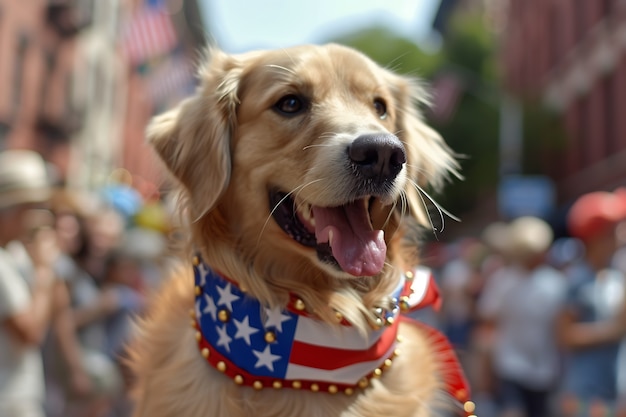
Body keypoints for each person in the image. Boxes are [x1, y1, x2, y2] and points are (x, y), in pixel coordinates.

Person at [478, 216, 567, 417]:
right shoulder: (502, 281)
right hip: (510, 365)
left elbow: (561, 329)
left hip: (545, 369)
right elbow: (488, 322)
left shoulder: (555, 283)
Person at [0, 150, 60, 417]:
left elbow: (57, 306)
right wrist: (44, 270)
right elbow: (30, 333)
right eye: (32, 208)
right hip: (9, 398)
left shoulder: (15, 253)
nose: (38, 217)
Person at [557, 190, 626, 417]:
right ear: (599, 236)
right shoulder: (577, 281)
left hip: (612, 389)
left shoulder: (615, 276)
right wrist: (611, 331)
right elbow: (564, 335)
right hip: (586, 393)